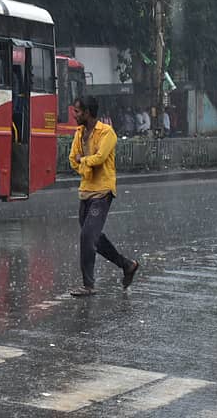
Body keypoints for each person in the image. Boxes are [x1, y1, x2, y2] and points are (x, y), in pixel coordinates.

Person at [68, 95, 139, 296]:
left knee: (87, 237)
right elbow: (73, 159)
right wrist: (84, 162)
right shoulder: (79, 133)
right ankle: (126, 265)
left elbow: (100, 158)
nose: (75, 115)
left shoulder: (107, 133)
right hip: (85, 191)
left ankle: (88, 285)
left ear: (88, 112)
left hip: (103, 192)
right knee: (94, 238)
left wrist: (85, 160)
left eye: (78, 111)